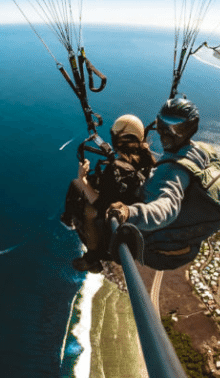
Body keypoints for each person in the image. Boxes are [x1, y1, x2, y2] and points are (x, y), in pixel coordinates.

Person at [107, 97, 220, 271]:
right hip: (185, 244)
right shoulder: (201, 150)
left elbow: (166, 208)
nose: (166, 134)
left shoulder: (172, 172)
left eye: (176, 128)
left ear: (190, 129)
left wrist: (129, 212)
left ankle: (92, 258)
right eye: (162, 126)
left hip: (160, 252)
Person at [62, 114, 156, 272]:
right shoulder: (147, 162)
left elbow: (102, 206)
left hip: (111, 239)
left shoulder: (116, 169)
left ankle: (91, 256)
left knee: (84, 201)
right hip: (131, 228)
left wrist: (82, 179)